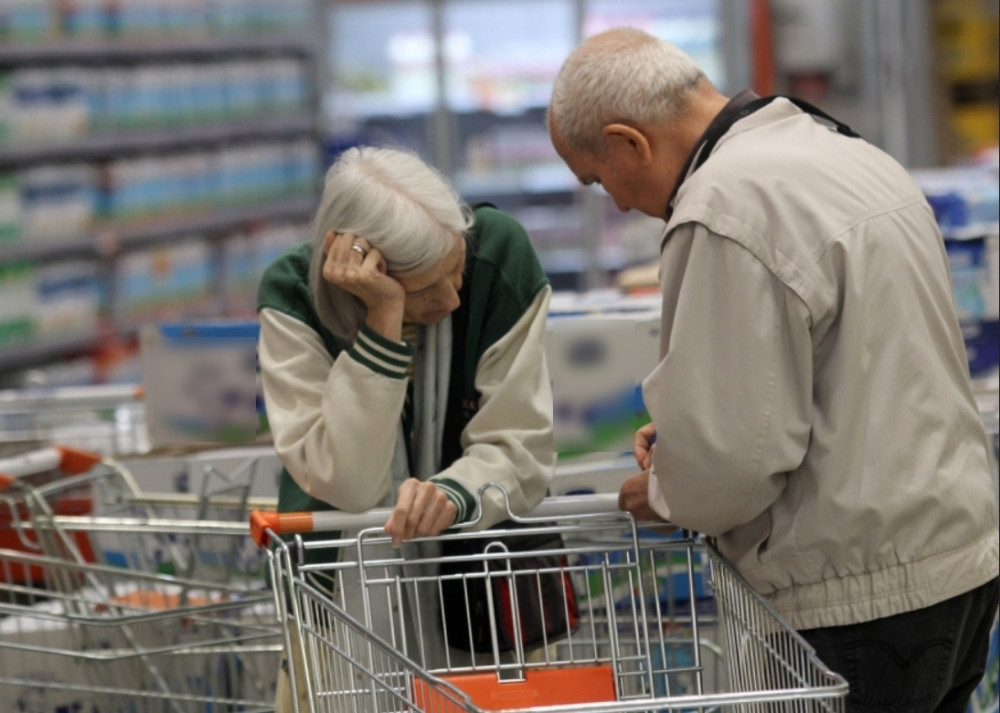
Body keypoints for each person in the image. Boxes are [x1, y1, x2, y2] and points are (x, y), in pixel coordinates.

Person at [548, 26, 999, 712]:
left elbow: (728, 464)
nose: (614, 201)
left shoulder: (723, 207)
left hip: (854, 595)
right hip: (956, 561)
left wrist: (667, 486)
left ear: (627, 141)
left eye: (596, 176)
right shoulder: (848, 154)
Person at [257, 145, 555, 708]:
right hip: (340, 591)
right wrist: (383, 322)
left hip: (483, 587)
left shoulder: (498, 255)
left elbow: (521, 445)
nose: (452, 298)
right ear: (361, 279)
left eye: (455, 270)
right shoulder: (293, 297)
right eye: (422, 289)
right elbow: (350, 483)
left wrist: (454, 494)